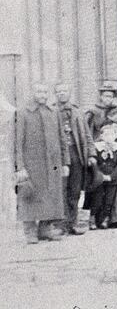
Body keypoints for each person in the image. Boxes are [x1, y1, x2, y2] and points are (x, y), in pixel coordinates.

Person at [16, 83, 68, 244]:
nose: (43, 95)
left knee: (51, 196)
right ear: (32, 93)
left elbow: (62, 138)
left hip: (52, 163)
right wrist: (20, 167)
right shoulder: (23, 113)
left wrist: (65, 162)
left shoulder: (54, 112)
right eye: (39, 91)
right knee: (30, 196)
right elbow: (17, 142)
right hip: (32, 164)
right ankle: (30, 231)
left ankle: (45, 229)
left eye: (45, 92)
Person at [54, 82, 97, 235]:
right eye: (58, 91)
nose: (62, 94)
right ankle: (60, 224)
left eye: (64, 91)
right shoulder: (52, 112)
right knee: (61, 189)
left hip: (76, 153)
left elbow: (87, 134)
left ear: (69, 92)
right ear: (55, 94)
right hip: (59, 156)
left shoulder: (77, 112)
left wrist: (91, 154)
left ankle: (72, 222)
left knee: (75, 190)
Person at [89, 120, 117, 230]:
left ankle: (105, 219)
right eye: (106, 135)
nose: (109, 137)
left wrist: (111, 177)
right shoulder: (97, 147)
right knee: (97, 199)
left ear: (115, 136)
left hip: (112, 178)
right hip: (99, 178)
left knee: (109, 200)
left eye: (111, 134)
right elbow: (95, 163)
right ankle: (93, 219)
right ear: (101, 136)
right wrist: (100, 175)